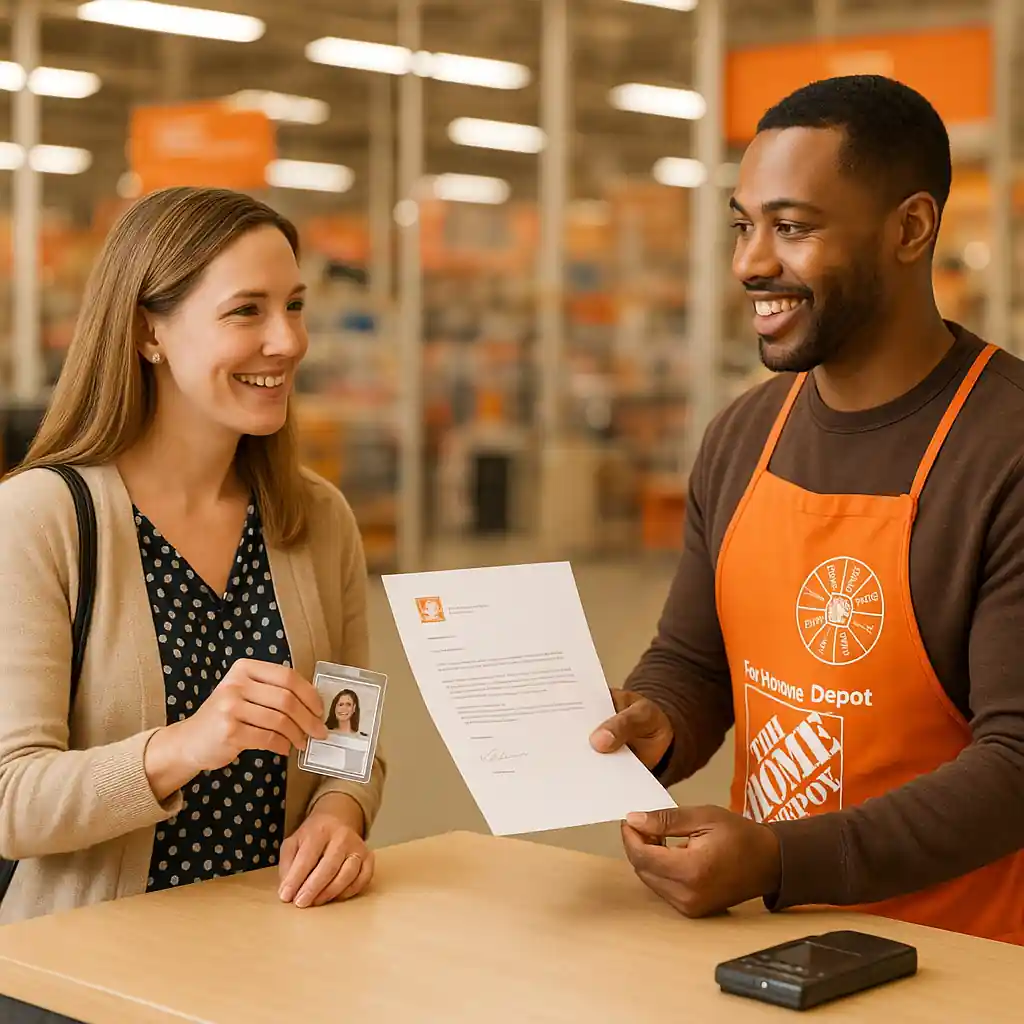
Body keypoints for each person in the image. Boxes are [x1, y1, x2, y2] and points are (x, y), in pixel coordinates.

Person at [590, 75, 1024, 944]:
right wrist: (656, 722)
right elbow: (695, 659)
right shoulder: (744, 434)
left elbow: (1016, 766)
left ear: (911, 229)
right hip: (769, 947)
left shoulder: (1004, 448)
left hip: (964, 964)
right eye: (744, 225)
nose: (752, 263)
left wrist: (783, 859)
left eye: (792, 228)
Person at [0, 186, 386, 925]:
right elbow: (11, 801)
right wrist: (184, 746)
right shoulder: (41, 519)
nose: (289, 340)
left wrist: (341, 815)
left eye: (296, 305)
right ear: (149, 333)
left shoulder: (317, 518)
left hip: (273, 956)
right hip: (87, 976)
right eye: (248, 310)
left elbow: (349, 742)